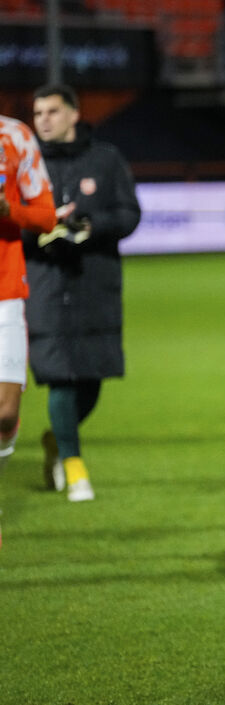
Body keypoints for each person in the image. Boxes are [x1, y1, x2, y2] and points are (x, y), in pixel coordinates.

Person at [25, 84, 142, 503]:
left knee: (90, 381)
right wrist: (43, 230)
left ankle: (57, 440)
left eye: (52, 111)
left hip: (95, 281)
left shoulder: (106, 160)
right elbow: (10, 219)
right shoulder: (26, 164)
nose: (44, 120)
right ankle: (75, 468)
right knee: (61, 375)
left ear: (74, 114)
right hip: (45, 283)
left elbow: (130, 214)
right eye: (38, 113)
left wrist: (90, 227)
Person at [0, 112, 56, 543]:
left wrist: (9, 210)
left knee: (5, 414)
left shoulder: (15, 136)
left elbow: (47, 217)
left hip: (5, 290)